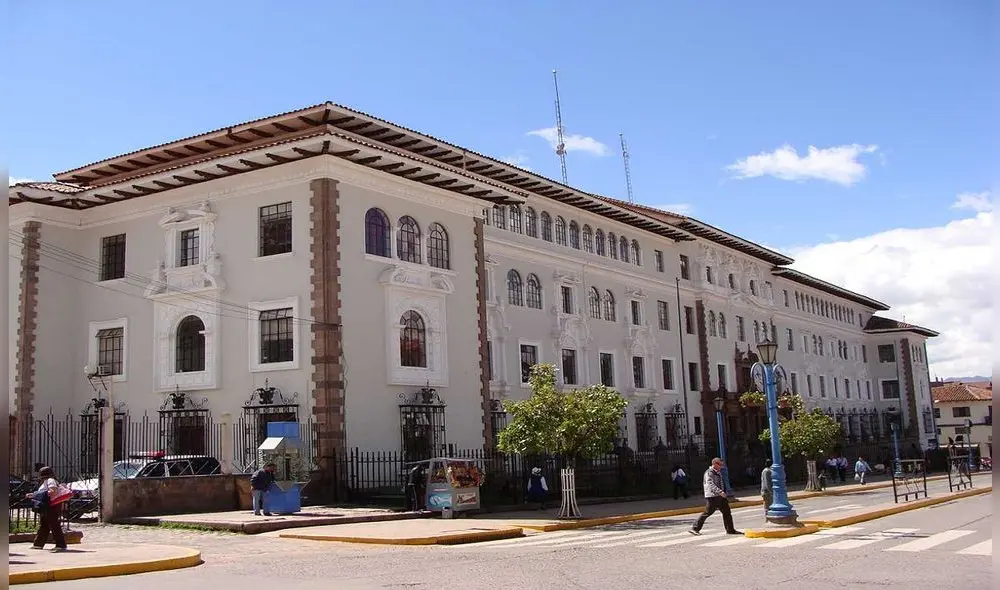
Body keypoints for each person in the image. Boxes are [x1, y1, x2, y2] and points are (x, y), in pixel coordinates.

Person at [689, 458, 741, 536]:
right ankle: (695, 528)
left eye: (722, 464)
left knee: (727, 512)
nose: (721, 466)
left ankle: (730, 529)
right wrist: (720, 491)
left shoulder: (718, 472)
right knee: (708, 512)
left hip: (720, 496)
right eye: (720, 464)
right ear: (714, 464)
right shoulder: (709, 473)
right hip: (713, 496)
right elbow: (710, 484)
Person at [27, 466, 68, 552]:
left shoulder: (50, 481)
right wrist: (34, 494)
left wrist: (35, 495)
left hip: (51, 506)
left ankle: (61, 545)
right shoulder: (47, 481)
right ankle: (38, 544)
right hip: (47, 506)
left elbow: (53, 491)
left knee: (54, 525)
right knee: (44, 525)